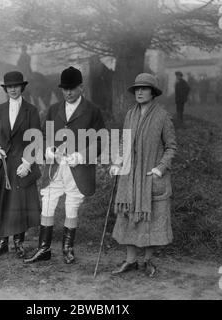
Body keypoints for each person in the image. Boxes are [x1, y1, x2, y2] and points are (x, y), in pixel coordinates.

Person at [24, 66, 106, 264]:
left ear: (81, 88)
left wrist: (81, 155)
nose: (68, 92)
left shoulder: (92, 110)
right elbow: (44, 135)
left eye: (72, 88)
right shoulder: (54, 109)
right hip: (55, 167)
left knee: (72, 206)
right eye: (64, 89)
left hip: (78, 168)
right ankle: (44, 248)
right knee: (48, 203)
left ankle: (68, 249)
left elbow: (101, 139)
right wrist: (48, 149)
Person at [109, 73, 177, 276]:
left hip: (150, 176)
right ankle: (130, 261)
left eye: (144, 88)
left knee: (150, 219)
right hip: (130, 177)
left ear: (152, 92)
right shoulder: (130, 114)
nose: (139, 92)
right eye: (136, 89)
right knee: (128, 216)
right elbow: (124, 141)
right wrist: (118, 161)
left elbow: (171, 147)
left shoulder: (162, 117)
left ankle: (148, 261)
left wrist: (160, 168)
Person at [0, 71, 42, 258]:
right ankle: (2, 243)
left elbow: (36, 139)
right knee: (2, 202)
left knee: (19, 204)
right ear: (5, 89)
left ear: (22, 87)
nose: (13, 90)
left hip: (21, 166)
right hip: (2, 165)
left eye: (16, 86)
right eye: (10, 87)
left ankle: (18, 243)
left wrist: (27, 163)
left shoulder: (31, 110)